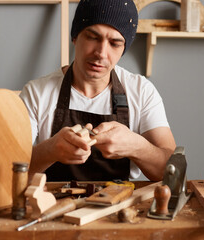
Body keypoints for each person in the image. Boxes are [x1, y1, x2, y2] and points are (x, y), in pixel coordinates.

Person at [20, 0, 176, 182]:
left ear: (123, 48)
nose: (101, 53)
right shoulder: (37, 93)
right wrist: (50, 150)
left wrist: (136, 146)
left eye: (115, 43)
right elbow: (7, 171)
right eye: (93, 37)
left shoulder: (142, 92)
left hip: (122, 206)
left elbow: (173, 175)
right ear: (75, 37)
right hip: (52, 206)